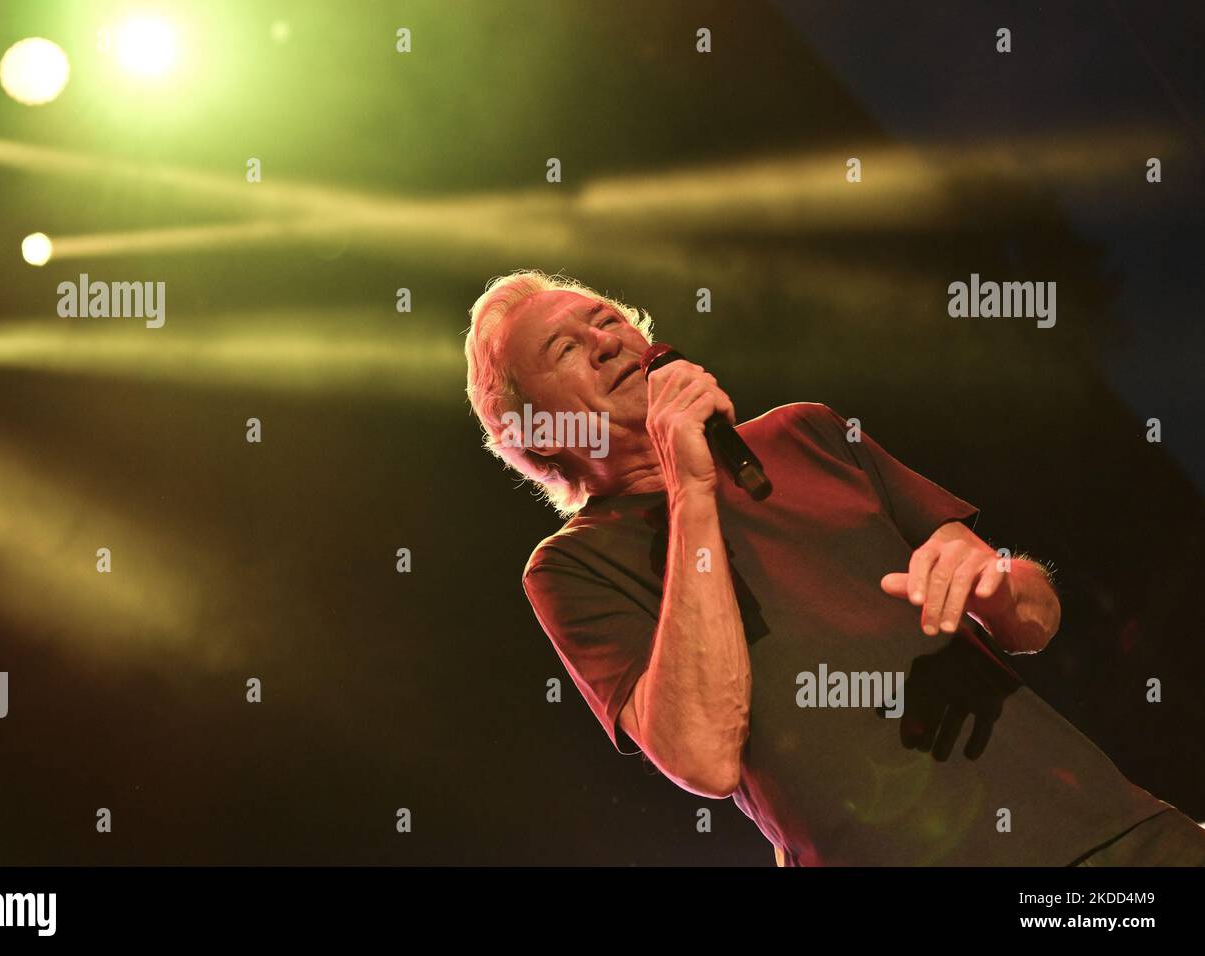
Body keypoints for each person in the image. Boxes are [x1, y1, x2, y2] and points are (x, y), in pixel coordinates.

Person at [464, 269, 1205, 866]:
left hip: (1112, 833)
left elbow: (1032, 620)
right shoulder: (570, 567)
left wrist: (994, 578)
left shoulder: (806, 432)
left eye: (605, 320)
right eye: (564, 349)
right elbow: (703, 760)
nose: (604, 343)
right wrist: (689, 484)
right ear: (532, 436)